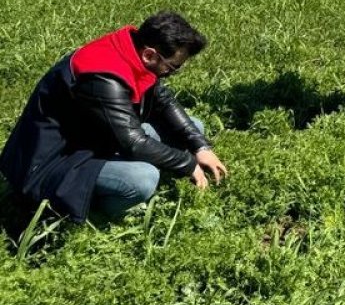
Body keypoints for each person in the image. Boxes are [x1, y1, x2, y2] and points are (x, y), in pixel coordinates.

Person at [0, 12, 226, 223]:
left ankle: (105, 187)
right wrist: (187, 164)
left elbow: (163, 100)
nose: (172, 74)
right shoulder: (103, 75)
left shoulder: (131, 51)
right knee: (143, 179)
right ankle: (92, 216)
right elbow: (134, 143)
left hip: (93, 139)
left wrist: (200, 147)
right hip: (51, 163)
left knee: (194, 128)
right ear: (150, 55)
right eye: (173, 68)